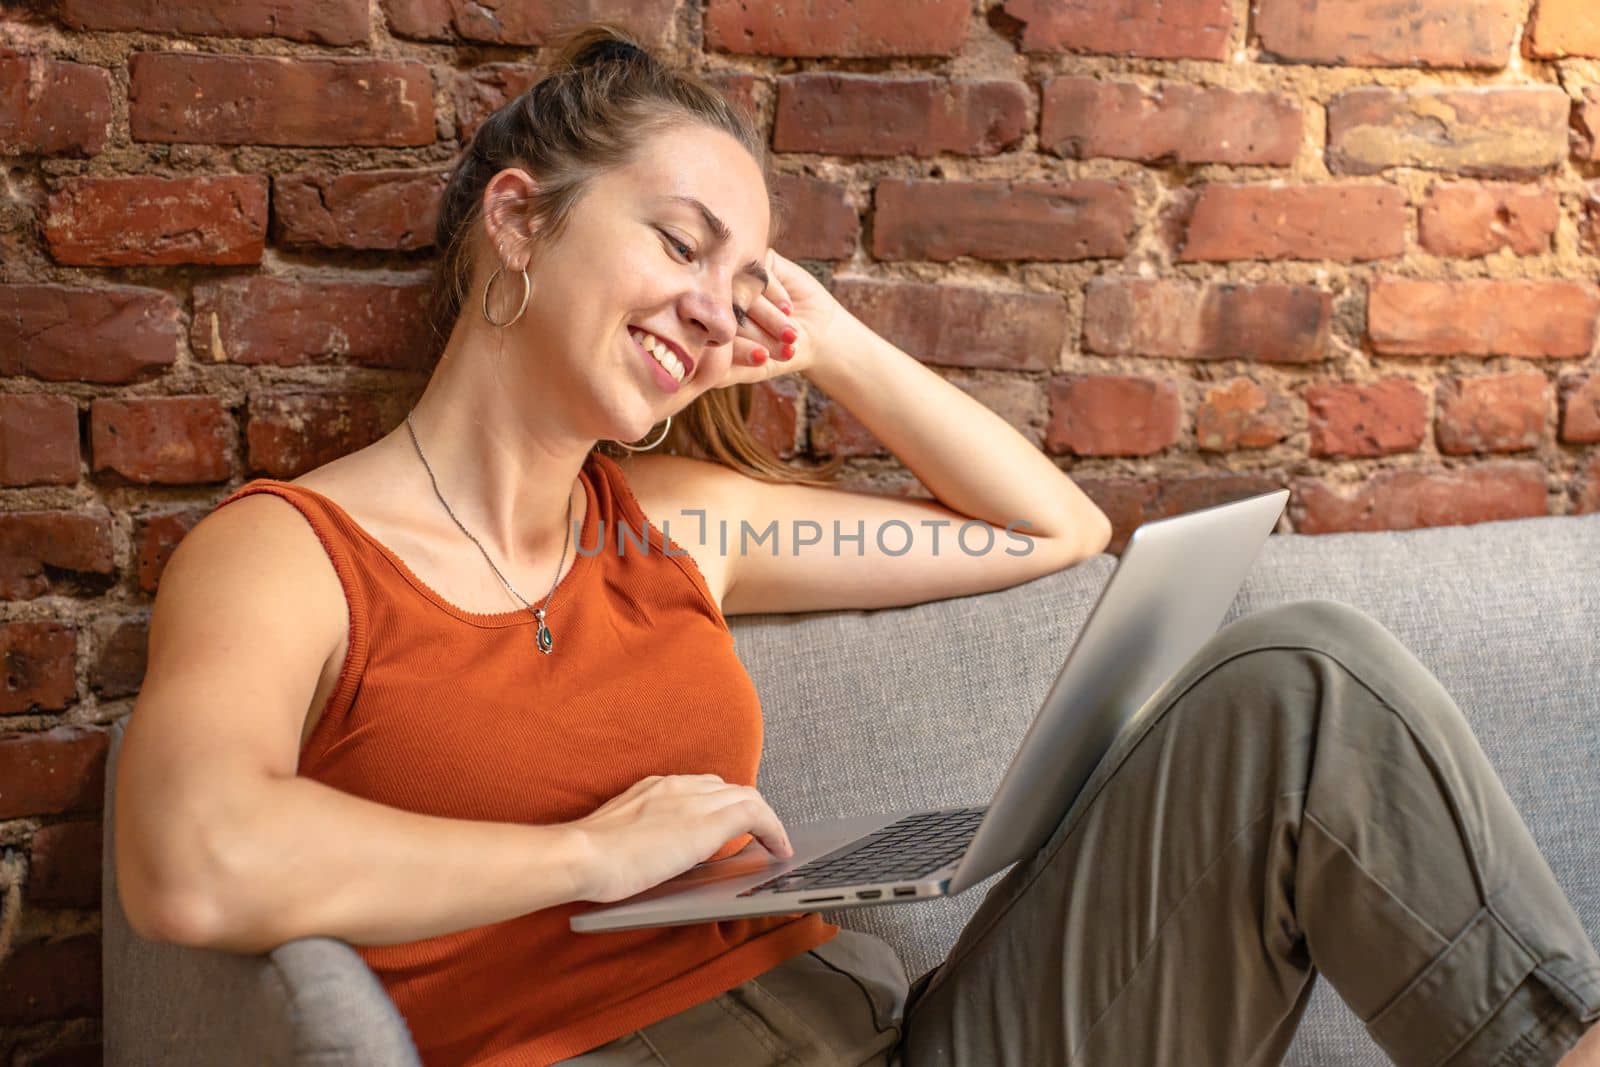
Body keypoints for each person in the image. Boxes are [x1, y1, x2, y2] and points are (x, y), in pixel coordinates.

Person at [114, 23, 1600, 1067]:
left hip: (893, 1031)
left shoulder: (682, 528)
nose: (715, 305)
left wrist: (830, 343)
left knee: (1304, 678)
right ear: (518, 221)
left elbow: (1052, 531)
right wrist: (585, 853)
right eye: (682, 244)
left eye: (744, 277)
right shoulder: (292, 552)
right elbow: (191, 859)